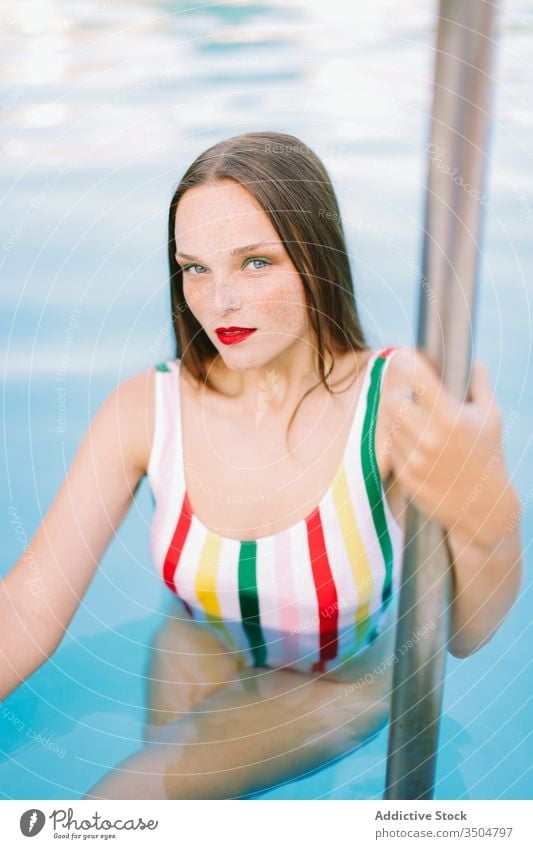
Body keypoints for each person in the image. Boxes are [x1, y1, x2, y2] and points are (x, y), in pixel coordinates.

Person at [0, 131, 523, 800]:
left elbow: (469, 634)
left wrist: (487, 513)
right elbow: (22, 607)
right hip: (195, 648)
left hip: (336, 679)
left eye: (254, 262)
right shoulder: (147, 407)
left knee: (121, 806)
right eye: (194, 267)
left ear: (316, 256)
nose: (219, 301)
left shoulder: (391, 399)